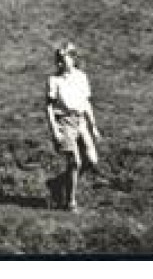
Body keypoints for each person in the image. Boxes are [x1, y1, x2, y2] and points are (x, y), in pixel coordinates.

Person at [45, 43, 102, 212]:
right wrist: (54, 129)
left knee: (91, 160)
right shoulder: (53, 80)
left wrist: (93, 126)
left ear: (72, 59)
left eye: (63, 60)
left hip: (81, 121)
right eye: (58, 60)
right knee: (75, 162)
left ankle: (58, 183)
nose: (59, 64)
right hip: (64, 122)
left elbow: (86, 103)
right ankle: (70, 203)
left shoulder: (81, 77)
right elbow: (48, 107)